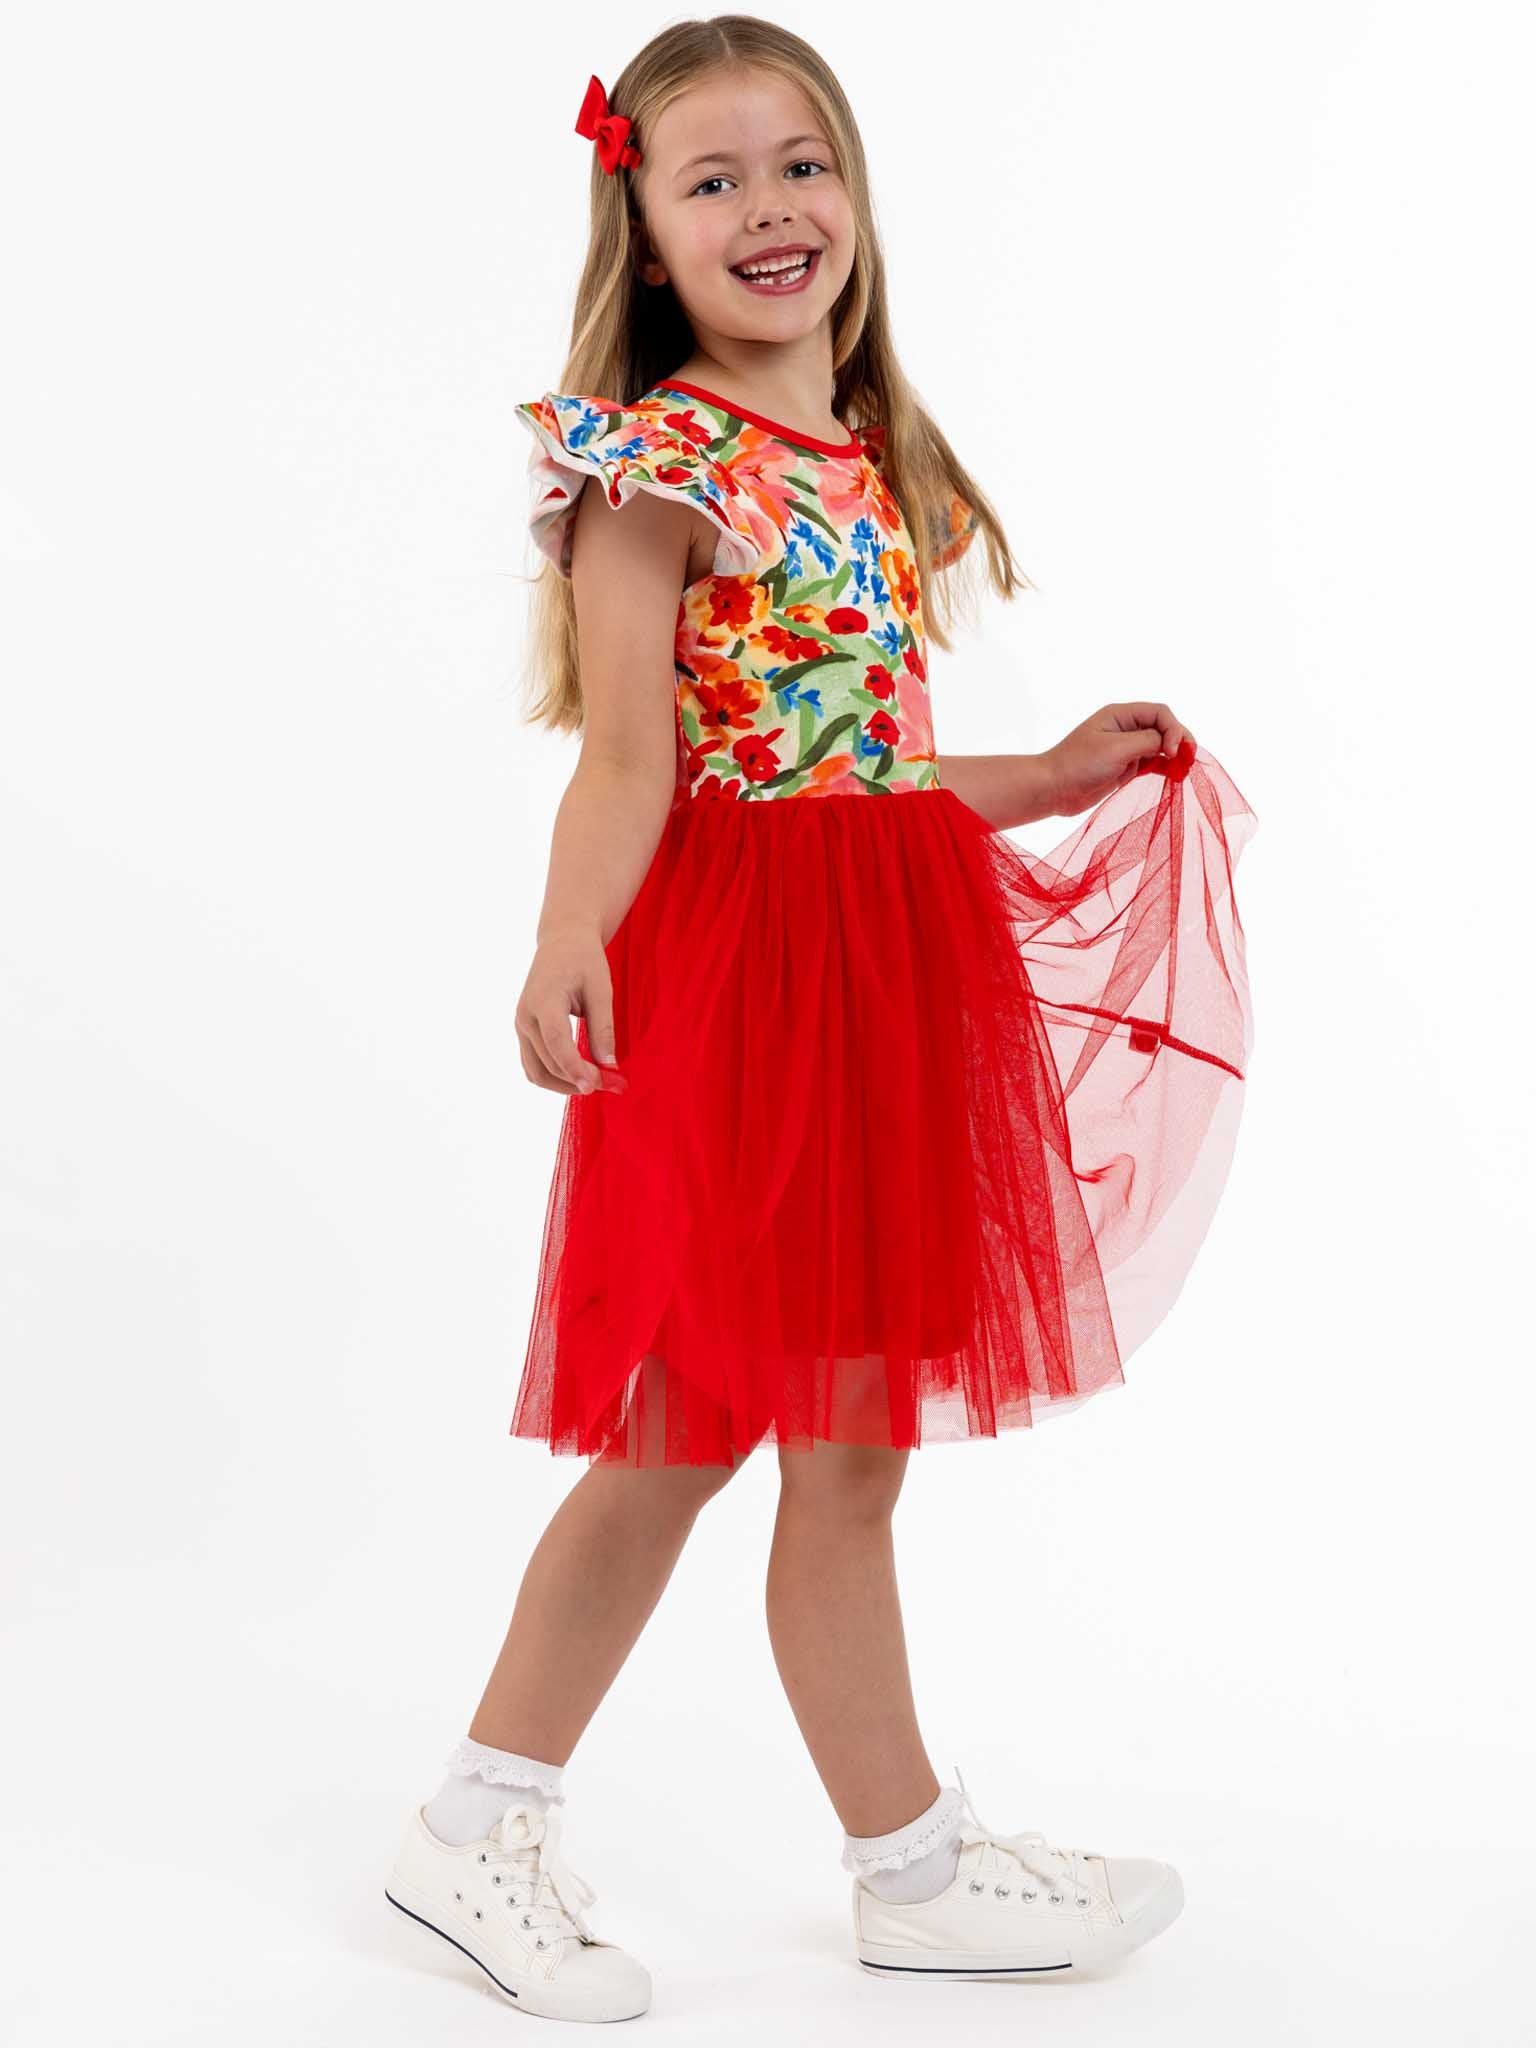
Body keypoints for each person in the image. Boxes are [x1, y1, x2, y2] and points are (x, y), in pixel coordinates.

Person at [386, 15, 1257, 2023]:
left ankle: (915, 1868)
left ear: (855, 197)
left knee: (856, 1450)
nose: (770, 209)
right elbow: (630, 760)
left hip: (879, 972)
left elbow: (862, 761)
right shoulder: (657, 462)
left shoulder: (869, 464)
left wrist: (1032, 773)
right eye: (714, 181)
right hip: (739, 989)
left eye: (803, 167)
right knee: (681, 1429)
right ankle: (472, 1822)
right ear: (652, 232)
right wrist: (559, 942)